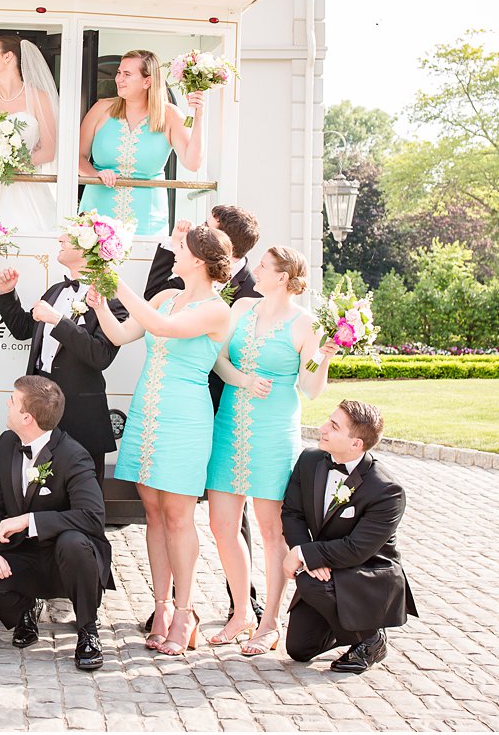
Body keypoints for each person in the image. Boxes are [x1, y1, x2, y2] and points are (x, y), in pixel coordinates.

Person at [91, 223, 233, 656]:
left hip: (184, 416)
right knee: (152, 513)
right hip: (147, 411)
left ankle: (185, 612)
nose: (174, 252)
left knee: (178, 516)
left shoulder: (216, 309)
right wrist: (100, 304)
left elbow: (161, 328)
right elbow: (121, 335)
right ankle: (161, 608)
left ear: (201, 260)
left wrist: (118, 279)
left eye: (181, 248)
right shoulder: (164, 296)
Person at [207, 245, 340, 655]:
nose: (256, 271)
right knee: (221, 525)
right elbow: (218, 359)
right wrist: (243, 380)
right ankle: (242, 612)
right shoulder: (242, 307)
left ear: (283, 277)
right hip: (230, 424)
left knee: (271, 530)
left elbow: (310, 387)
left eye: (263, 266)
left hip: (274, 431)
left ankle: (269, 622)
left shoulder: (305, 324)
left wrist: (323, 358)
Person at [145, 204, 267, 627]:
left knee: (229, 515)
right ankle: (172, 603)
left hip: (216, 408)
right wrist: (169, 249)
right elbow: (153, 304)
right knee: (171, 513)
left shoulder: (248, 293)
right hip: (171, 404)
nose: (199, 234)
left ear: (225, 247)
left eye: (208, 230)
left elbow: (218, 354)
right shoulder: (183, 284)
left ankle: (242, 603)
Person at [0, 376, 115, 672]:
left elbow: (92, 517)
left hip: (68, 561)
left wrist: (30, 520)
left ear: (26, 417)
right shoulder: (7, 443)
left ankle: (88, 630)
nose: (7, 404)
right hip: (23, 557)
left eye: (12, 400)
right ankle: (25, 610)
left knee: (73, 541)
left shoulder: (73, 455)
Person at [281, 400, 417, 672]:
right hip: (328, 568)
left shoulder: (387, 491)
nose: (322, 429)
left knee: (309, 582)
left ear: (356, 444)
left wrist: (303, 555)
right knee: (299, 649)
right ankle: (346, 626)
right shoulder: (309, 461)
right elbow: (292, 513)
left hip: (365, 573)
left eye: (333, 427)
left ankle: (371, 638)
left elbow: (357, 549)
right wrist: (305, 550)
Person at [0, 232, 128, 481]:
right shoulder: (55, 291)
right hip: (39, 411)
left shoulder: (111, 299)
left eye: (71, 236)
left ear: (89, 248)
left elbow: (101, 355)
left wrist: (58, 320)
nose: (61, 239)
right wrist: (8, 294)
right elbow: (23, 330)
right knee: (38, 485)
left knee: (82, 489)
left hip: (80, 414)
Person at [77, 50, 204, 237]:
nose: (119, 79)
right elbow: (76, 157)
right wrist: (95, 174)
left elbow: (192, 163)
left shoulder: (170, 115)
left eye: (127, 74)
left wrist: (198, 115)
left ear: (148, 81)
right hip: (97, 213)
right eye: (119, 73)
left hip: (147, 218)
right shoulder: (101, 108)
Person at [0, 34, 59, 232]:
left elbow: (48, 151)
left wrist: (6, 165)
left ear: (8, 57)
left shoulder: (40, 98)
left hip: (26, 188)